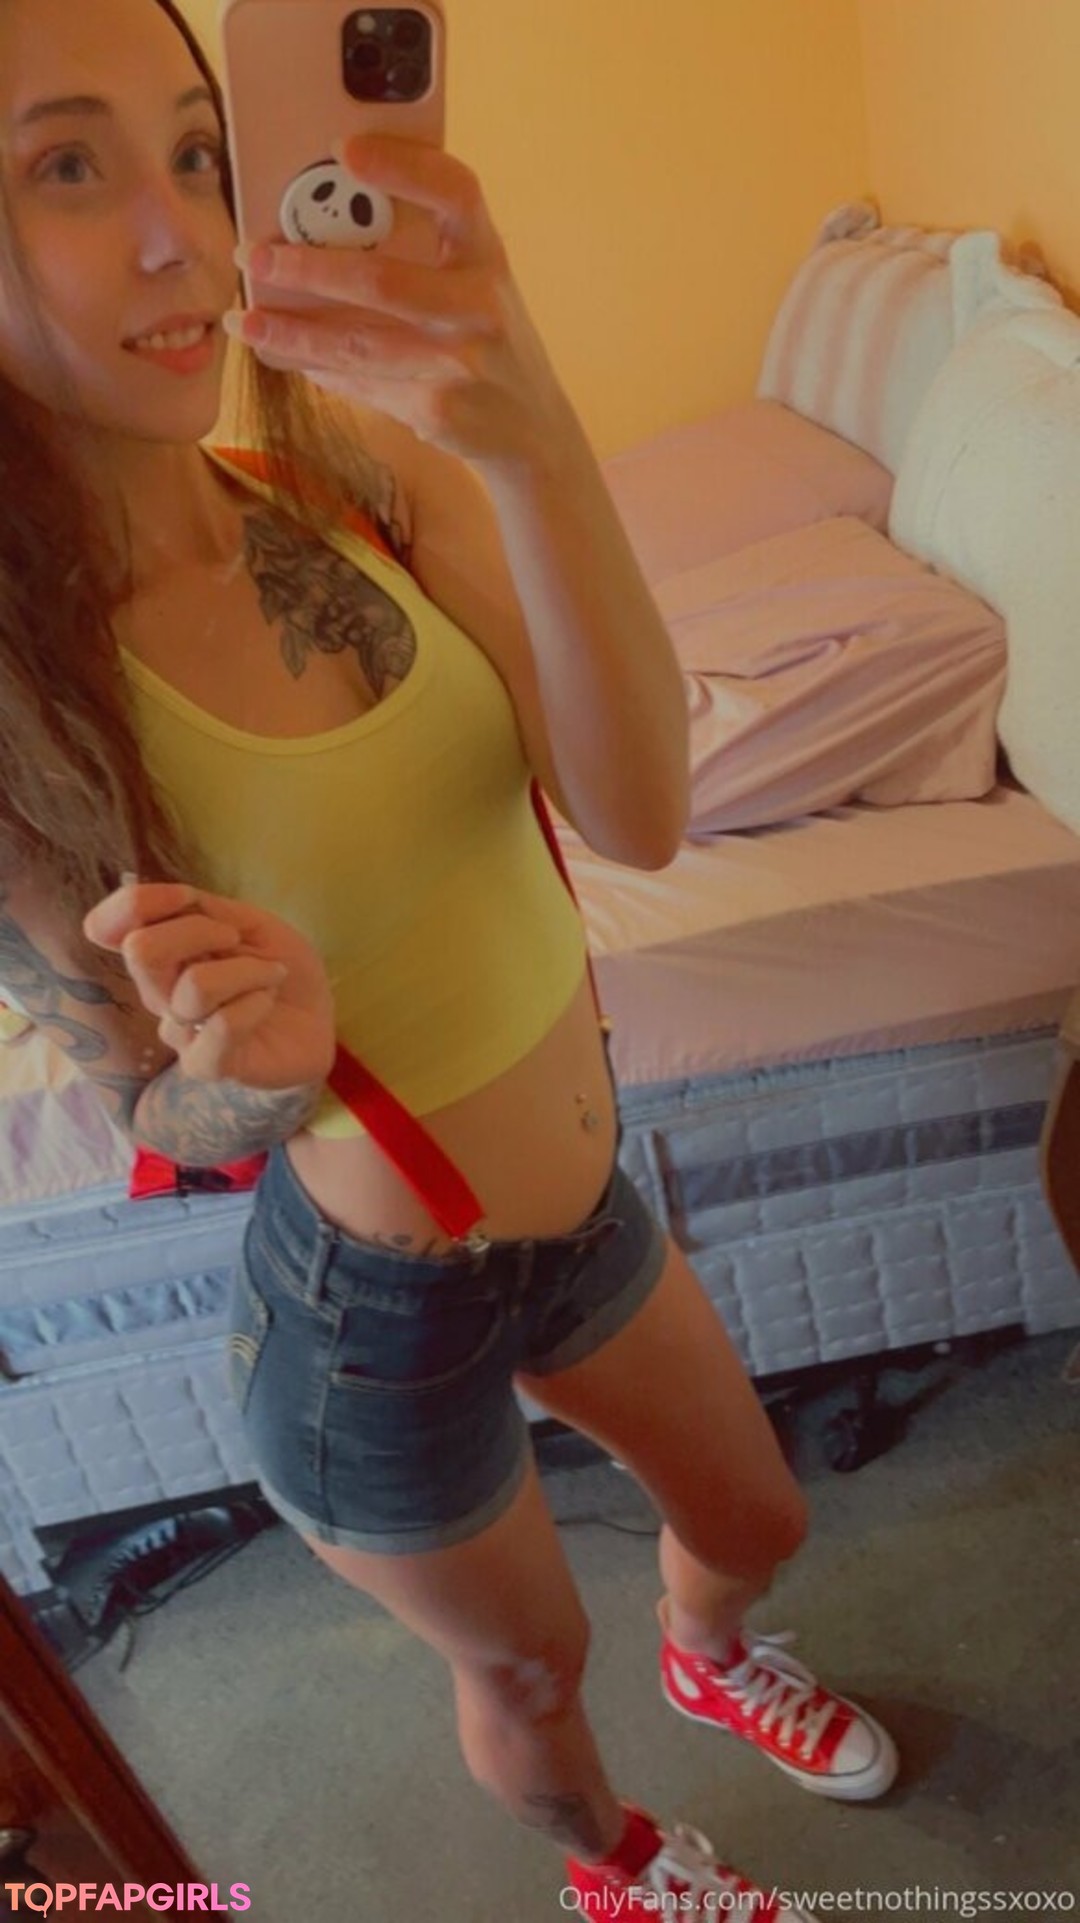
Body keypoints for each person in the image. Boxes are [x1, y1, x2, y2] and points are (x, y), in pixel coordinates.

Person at [0, 0, 899, 1912]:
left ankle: (711, 1653)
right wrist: (261, 1074)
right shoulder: (26, 709)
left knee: (757, 1518)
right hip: (373, 1320)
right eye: (67, 166)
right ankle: (620, 1864)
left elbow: (641, 814)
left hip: (582, 1208)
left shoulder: (346, 479)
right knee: (527, 1669)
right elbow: (153, 1110)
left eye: (195, 152)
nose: (178, 233)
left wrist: (532, 430)